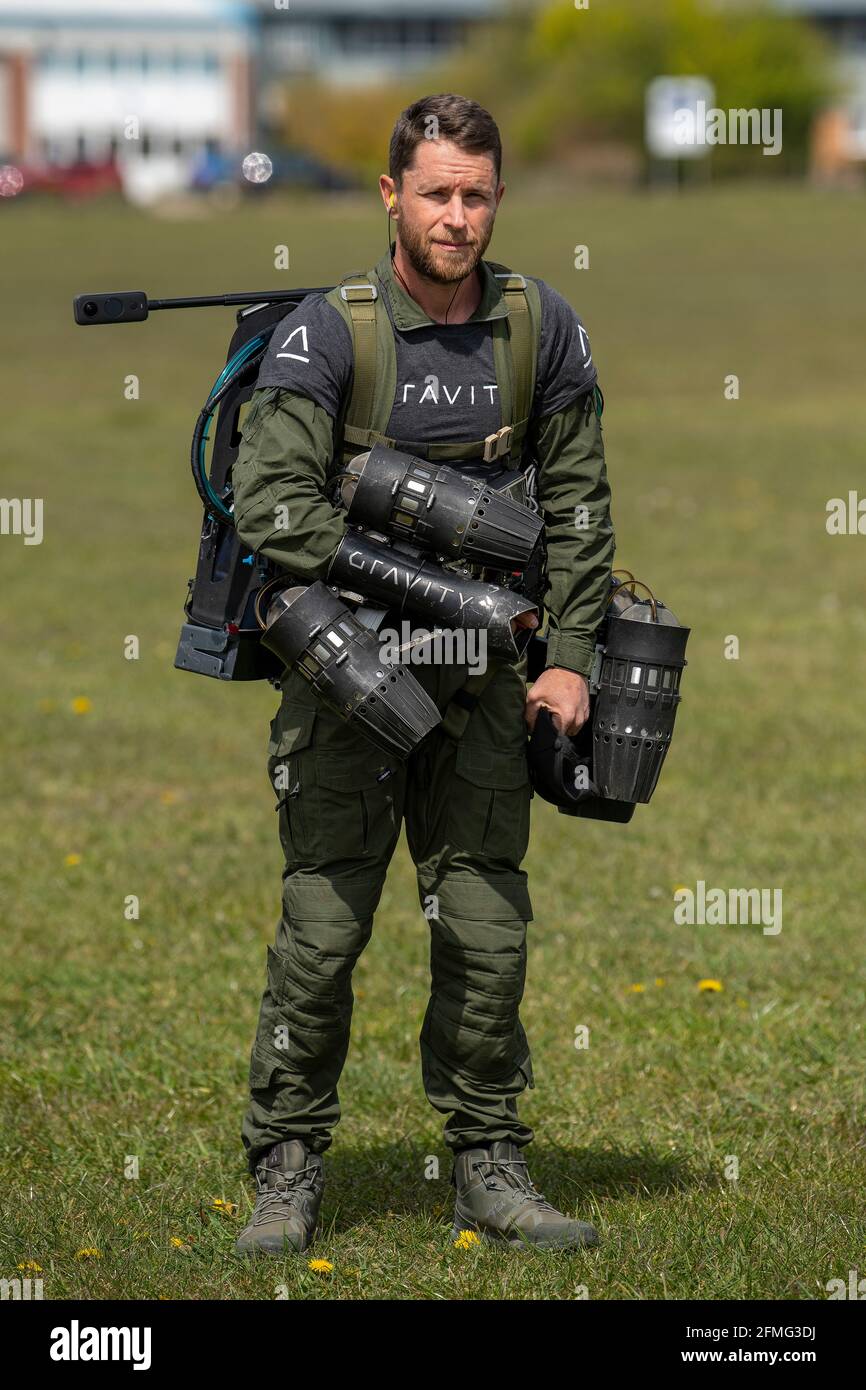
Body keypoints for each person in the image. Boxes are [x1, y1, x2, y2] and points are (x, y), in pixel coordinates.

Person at [231, 93, 615, 1254]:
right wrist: (441, 586)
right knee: (323, 931)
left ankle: (488, 1164)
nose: (457, 218)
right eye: (437, 193)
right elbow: (269, 507)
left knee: (486, 929)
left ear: (497, 198)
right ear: (391, 195)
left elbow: (583, 506)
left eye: (477, 195)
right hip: (349, 674)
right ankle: (286, 1166)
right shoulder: (324, 332)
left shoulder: (536, 325)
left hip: (489, 687)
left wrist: (574, 662)